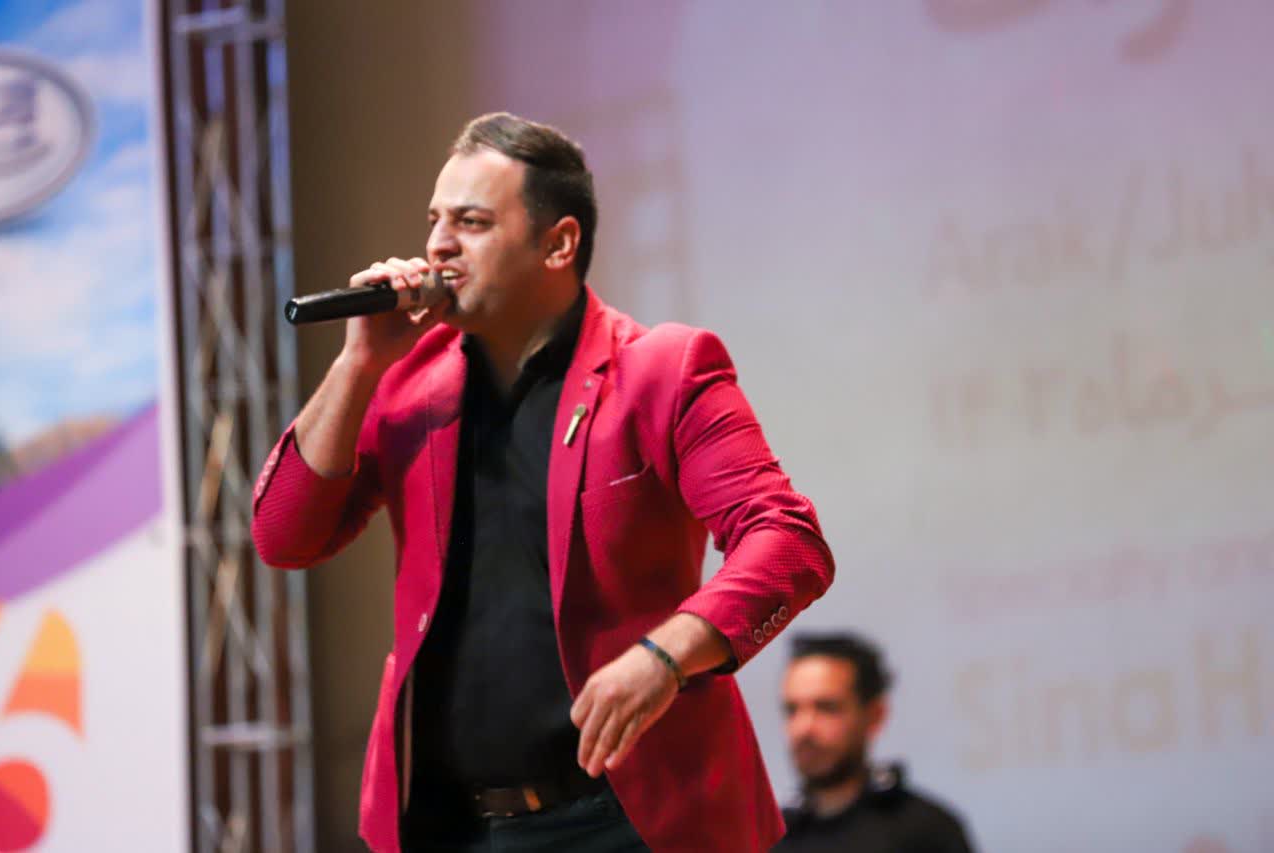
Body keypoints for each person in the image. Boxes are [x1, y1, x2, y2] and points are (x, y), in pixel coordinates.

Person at [251, 112, 834, 853]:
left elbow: (788, 538)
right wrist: (357, 364)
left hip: (624, 821)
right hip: (449, 824)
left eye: (471, 222)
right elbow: (284, 537)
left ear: (558, 244)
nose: (437, 245)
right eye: (435, 221)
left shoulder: (659, 370)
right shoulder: (406, 381)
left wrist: (665, 656)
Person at [775, 632, 976, 853]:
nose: (804, 728)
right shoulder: (771, 839)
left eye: (827, 708)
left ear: (874, 715)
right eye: (792, 710)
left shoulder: (927, 832)